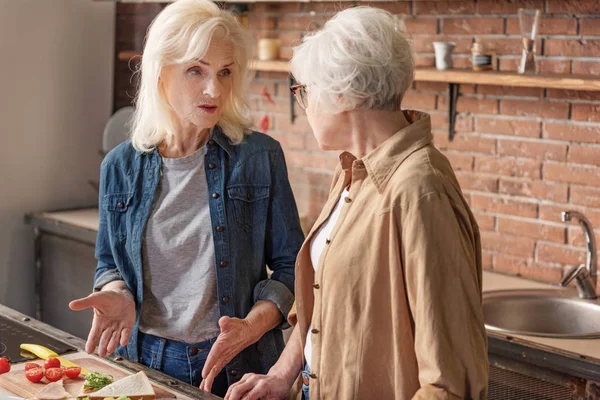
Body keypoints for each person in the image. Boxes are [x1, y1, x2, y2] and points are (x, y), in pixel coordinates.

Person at [226, 6, 488, 400]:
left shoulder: (420, 191)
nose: (306, 105)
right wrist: (281, 376)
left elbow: (449, 384)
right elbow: (323, 305)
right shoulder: (353, 169)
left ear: (344, 94)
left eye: (305, 91)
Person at [69, 0, 304, 397]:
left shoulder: (260, 157)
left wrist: (251, 327)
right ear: (161, 73)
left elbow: (291, 267)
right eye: (196, 70)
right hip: (143, 360)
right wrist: (117, 294)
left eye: (225, 72)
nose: (215, 89)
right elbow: (109, 262)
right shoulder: (120, 165)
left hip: (237, 365)